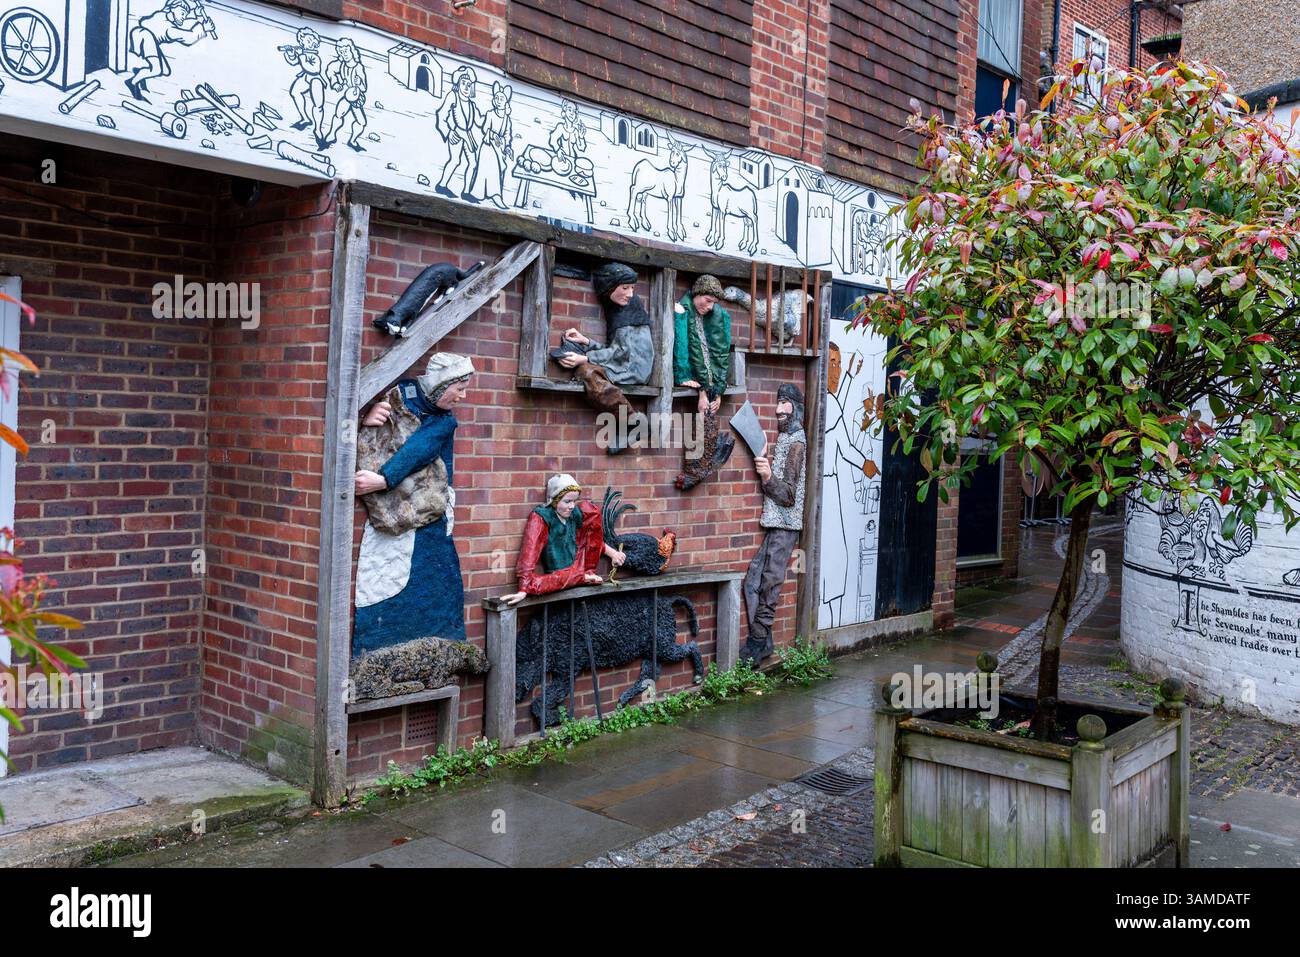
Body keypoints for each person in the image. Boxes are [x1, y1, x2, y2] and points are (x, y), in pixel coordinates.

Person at [352, 353, 473, 653]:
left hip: (431, 512)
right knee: (385, 577)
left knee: (436, 579)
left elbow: (420, 448)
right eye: (459, 388)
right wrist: (367, 418)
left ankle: (438, 651)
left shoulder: (445, 422)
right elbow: (385, 432)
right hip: (391, 513)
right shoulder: (400, 396)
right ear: (440, 384)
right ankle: (378, 653)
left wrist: (383, 479)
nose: (463, 395)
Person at [553, 262, 654, 454]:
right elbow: (615, 350)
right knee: (585, 371)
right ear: (609, 287)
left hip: (634, 369)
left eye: (631, 288)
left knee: (587, 373)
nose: (630, 293)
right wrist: (586, 342)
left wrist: (585, 357)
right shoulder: (617, 308)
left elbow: (620, 353)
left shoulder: (630, 308)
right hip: (625, 364)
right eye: (625, 288)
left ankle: (634, 422)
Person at [741, 384, 807, 666]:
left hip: (785, 525)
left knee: (769, 582)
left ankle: (758, 641)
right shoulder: (785, 438)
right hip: (774, 522)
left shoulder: (796, 443)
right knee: (752, 580)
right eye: (777, 403)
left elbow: (789, 496)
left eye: (784, 403)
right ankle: (763, 640)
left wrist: (767, 477)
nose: (778, 409)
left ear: (795, 407)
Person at [501, 475, 625, 605]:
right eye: (567, 501)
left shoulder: (574, 515)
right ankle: (582, 578)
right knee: (541, 584)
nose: (572, 506)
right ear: (554, 500)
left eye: (574, 501)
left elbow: (591, 541)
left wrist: (614, 554)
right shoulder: (542, 517)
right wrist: (523, 589)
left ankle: (583, 577)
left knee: (589, 510)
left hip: (578, 569)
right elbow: (529, 551)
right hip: (559, 577)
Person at [673, 274, 735, 489]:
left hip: (709, 386)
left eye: (713, 303)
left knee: (707, 419)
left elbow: (719, 355)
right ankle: (694, 469)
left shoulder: (716, 318)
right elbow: (687, 351)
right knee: (703, 419)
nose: (709, 307)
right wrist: (701, 391)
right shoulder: (683, 311)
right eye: (707, 300)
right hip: (695, 381)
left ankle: (698, 468)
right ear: (697, 293)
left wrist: (718, 392)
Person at [126, 0, 215, 101]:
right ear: (173, 9)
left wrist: (198, 15)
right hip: (145, 36)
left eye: (185, 15)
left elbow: (184, 23)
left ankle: (141, 72)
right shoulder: (170, 30)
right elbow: (188, 37)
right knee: (156, 69)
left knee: (165, 70)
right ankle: (132, 82)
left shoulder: (164, 14)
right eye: (182, 13)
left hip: (148, 38)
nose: (183, 17)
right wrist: (204, 28)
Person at [435, 65, 483, 200]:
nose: (466, 87)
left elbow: (480, 121)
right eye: (463, 83)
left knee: (473, 163)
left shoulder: (472, 104)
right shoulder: (453, 96)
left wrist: (493, 118)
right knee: (455, 160)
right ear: (458, 83)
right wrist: (449, 132)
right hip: (456, 133)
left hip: (468, 135)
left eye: (469, 84)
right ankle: (442, 185)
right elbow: (441, 114)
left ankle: (466, 192)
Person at [469, 82, 513, 208]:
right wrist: (493, 136)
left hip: (499, 148)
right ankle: (482, 194)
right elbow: (485, 129)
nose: (499, 101)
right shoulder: (490, 114)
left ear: (506, 102)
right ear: (494, 100)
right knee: (486, 169)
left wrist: (507, 147)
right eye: (497, 98)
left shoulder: (507, 119)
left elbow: (507, 135)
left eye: (502, 99)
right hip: (488, 146)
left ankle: (494, 195)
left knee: (499, 168)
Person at [321, 38, 368, 152]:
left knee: (361, 122)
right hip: (347, 96)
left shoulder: (358, 67)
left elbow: (364, 87)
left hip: (356, 98)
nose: (344, 54)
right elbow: (330, 70)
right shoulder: (340, 64)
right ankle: (331, 136)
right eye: (341, 52)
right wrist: (336, 83)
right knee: (338, 114)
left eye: (346, 51)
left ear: (352, 50)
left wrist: (359, 83)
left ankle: (352, 140)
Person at [282, 27, 325, 138]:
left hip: (315, 79)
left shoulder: (315, 56)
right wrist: (290, 53)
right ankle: (305, 118)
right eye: (305, 41)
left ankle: (318, 129)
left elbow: (312, 69)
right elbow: (293, 62)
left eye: (310, 41)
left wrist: (300, 55)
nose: (308, 43)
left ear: (315, 42)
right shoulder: (303, 53)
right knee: (295, 92)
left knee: (318, 105)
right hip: (305, 77)